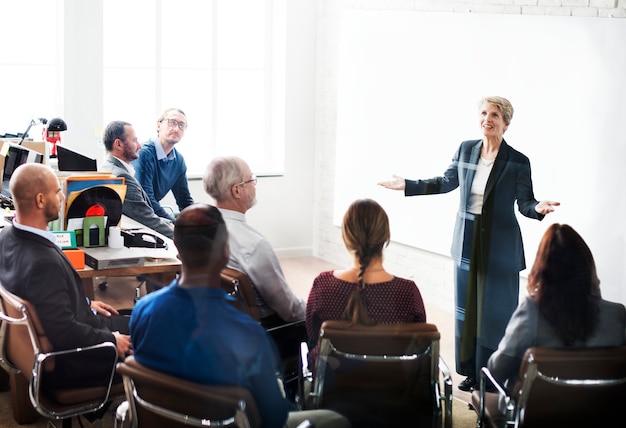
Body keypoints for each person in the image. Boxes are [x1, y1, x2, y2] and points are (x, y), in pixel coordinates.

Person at [378, 96, 560, 392]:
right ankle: (473, 372)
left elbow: (525, 202)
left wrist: (538, 207)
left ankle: (495, 374)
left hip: (500, 248)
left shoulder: (517, 161)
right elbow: (446, 181)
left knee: (497, 314)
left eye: (495, 115)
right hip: (466, 242)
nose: (488, 119)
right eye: (484, 113)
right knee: (468, 313)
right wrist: (408, 185)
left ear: (506, 124)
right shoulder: (466, 149)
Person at [129, 204, 350, 428]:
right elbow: (274, 417)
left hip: (165, 420)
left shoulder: (143, 311)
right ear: (225, 251)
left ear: (176, 247)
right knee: (336, 420)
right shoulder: (247, 333)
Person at [0, 163, 132, 389]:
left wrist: (86, 303)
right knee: (156, 332)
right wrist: (112, 340)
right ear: (40, 200)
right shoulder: (43, 263)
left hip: (66, 335)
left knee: (137, 317)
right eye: (57, 191)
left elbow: (43, 301)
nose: (62, 197)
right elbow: (64, 332)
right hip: (75, 360)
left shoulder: (6, 238)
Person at [488, 223, 626, 389]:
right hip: (598, 411)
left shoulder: (531, 311)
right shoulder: (616, 314)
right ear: (587, 265)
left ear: (543, 269)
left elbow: (497, 370)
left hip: (537, 412)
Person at [306, 198, 427, 368]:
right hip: (395, 387)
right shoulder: (407, 292)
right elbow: (419, 349)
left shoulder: (324, 285)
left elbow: (313, 338)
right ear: (386, 236)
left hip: (335, 387)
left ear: (346, 237)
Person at [203, 156, 305, 323]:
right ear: (237, 191)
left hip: (219, 323)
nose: (255, 185)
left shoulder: (199, 229)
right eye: (251, 180)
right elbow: (289, 310)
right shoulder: (254, 245)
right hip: (266, 332)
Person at [100, 120, 174, 239]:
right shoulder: (121, 177)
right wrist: (183, 239)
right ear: (118, 144)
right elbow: (146, 219)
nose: (139, 145)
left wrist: (168, 222)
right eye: (134, 140)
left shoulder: (108, 168)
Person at [132, 108, 194, 221]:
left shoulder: (178, 160)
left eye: (181, 125)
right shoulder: (144, 154)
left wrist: (200, 220)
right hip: (133, 216)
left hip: (150, 214)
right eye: (172, 123)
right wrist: (172, 222)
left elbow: (184, 200)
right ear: (159, 126)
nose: (176, 129)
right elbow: (146, 198)